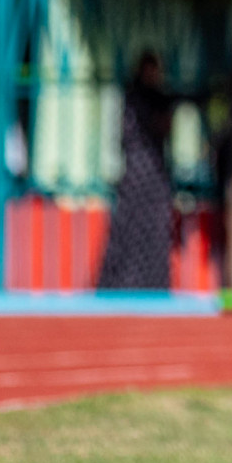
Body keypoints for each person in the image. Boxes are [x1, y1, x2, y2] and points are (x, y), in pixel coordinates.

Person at [97, 51, 174, 289]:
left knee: (154, 235)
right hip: (137, 177)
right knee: (129, 235)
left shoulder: (153, 98)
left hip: (153, 178)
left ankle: (149, 284)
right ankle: (124, 284)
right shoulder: (135, 99)